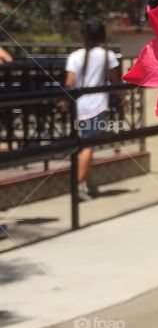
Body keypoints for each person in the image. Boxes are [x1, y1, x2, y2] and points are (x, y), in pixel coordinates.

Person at [64, 18, 121, 199]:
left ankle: (89, 184)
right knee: (89, 147)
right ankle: (78, 186)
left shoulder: (74, 56)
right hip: (97, 107)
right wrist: (123, 98)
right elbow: (115, 81)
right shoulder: (107, 55)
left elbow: (69, 83)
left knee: (85, 144)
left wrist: (65, 101)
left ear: (83, 35)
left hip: (80, 107)